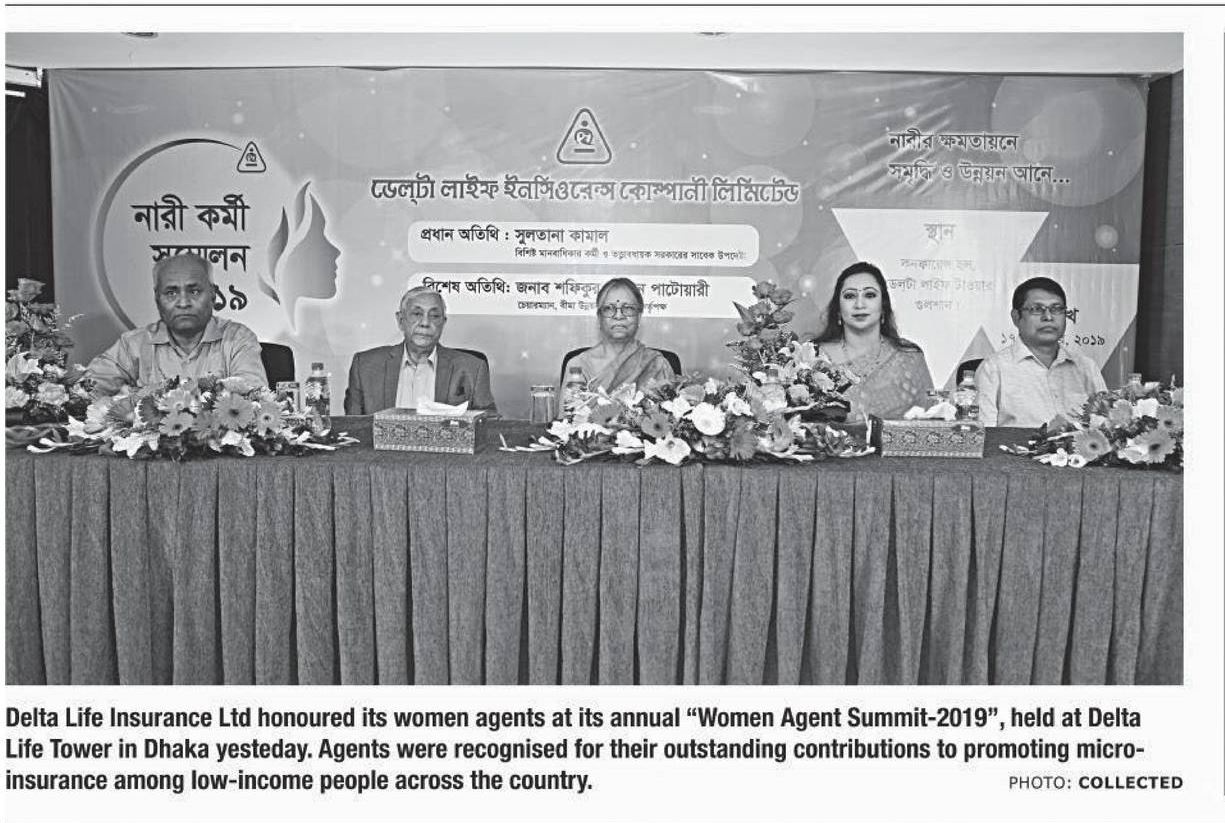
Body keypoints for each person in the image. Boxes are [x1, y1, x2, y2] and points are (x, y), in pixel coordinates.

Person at [85, 252, 268, 396]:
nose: (183, 302)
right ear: (157, 299)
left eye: (194, 291)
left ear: (213, 295)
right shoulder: (134, 344)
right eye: (171, 293)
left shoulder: (238, 339)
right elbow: (87, 391)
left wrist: (141, 396)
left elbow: (254, 397)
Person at [975, 276, 1106, 427]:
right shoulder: (993, 369)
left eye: (1056, 309)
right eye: (1037, 309)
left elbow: (1106, 428)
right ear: (1016, 317)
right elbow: (983, 433)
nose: (1048, 317)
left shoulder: (1086, 367)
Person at [343, 286, 496, 414]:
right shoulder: (365, 366)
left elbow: (490, 427)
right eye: (417, 314)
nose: (425, 323)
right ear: (401, 320)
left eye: (434, 316)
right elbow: (353, 428)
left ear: (443, 323)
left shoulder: (472, 369)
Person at [812, 261, 934, 419]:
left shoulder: (909, 357)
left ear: (883, 306)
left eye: (869, 295)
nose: (859, 304)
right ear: (838, 309)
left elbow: (932, 422)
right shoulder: (814, 358)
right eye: (850, 296)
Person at [565, 277, 676, 392]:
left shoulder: (656, 364)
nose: (618, 316)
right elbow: (572, 403)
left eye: (628, 308)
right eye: (609, 308)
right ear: (599, 318)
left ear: (639, 317)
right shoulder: (579, 366)